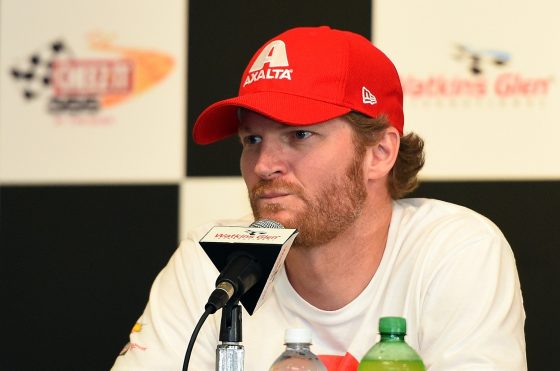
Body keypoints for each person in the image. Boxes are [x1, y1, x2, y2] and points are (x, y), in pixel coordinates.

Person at [111, 26, 526, 370]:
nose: (264, 164)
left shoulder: (456, 251)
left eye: (299, 135)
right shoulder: (212, 259)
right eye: (252, 138)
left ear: (379, 153)